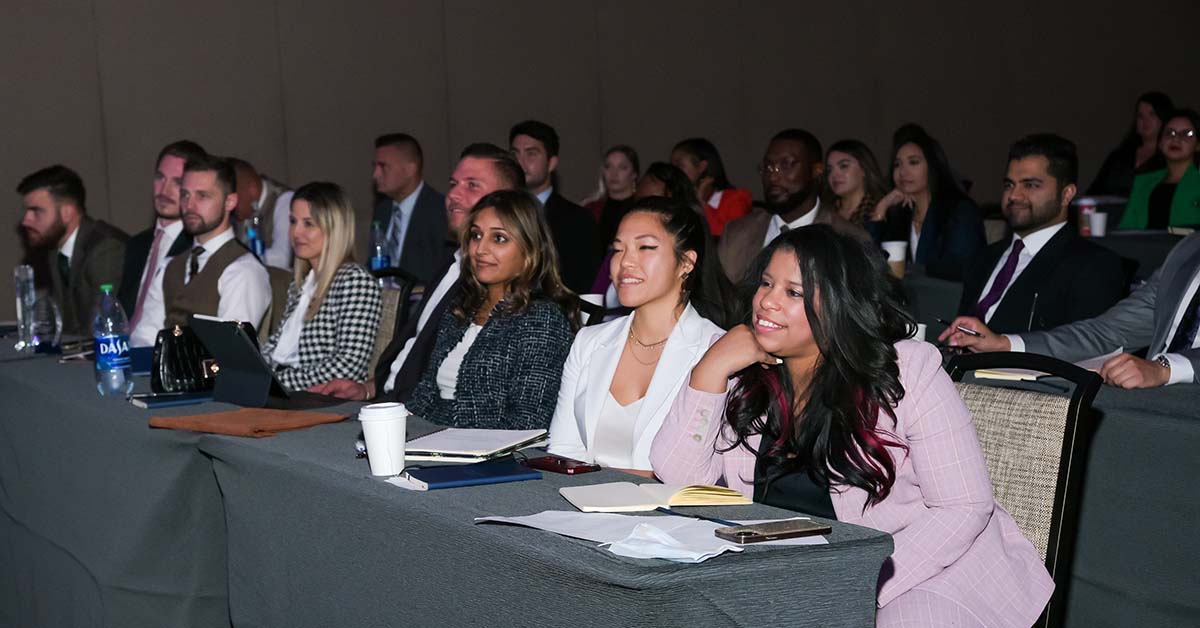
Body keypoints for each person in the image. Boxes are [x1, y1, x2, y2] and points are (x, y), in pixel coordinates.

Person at [650, 225, 1053, 627]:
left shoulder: (907, 369)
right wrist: (710, 369)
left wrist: (855, 582)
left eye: (793, 293)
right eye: (767, 283)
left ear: (840, 304)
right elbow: (683, 484)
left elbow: (963, 507)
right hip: (787, 573)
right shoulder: (746, 372)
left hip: (919, 573)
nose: (767, 302)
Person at [313, 143, 524, 402]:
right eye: (453, 183)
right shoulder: (449, 262)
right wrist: (368, 388)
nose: (453, 195)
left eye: (472, 185)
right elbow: (415, 348)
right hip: (385, 401)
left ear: (507, 201)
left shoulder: (497, 286)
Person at [549, 198, 727, 473]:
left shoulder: (716, 351)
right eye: (618, 249)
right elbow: (563, 450)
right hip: (583, 505)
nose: (625, 261)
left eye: (646, 247)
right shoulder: (589, 341)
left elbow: (706, 477)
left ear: (686, 263)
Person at [942, 229, 1200, 388]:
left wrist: (1166, 368)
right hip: (1156, 404)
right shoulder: (1188, 251)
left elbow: (1161, 369)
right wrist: (1003, 344)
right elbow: (1107, 333)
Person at [406, 190, 577, 429]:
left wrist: (443, 439)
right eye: (476, 235)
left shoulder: (541, 318)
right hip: (434, 440)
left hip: (490, 455)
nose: (480, 249)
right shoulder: (462, 308)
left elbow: (529, 422)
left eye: (499, 239)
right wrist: (400, 426)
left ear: (530, 249)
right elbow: (424, 395)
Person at [956, 134, 1125, 333]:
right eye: (1009, 185)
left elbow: (1084, 349)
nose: (1014, 196)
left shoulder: (1094, 266)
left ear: (1066, 194)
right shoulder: (984, 258)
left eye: (1030, 185)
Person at [131, 154, 270, 341]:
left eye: (202, 196)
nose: (189, 205)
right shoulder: (170, 266)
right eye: (185, 195)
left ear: (230, 202)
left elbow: (231, 351)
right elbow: (144, 337)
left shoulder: (243, 271)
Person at [260, 182, 381, 390]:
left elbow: (348, 367)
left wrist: (277, 383)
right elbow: (277, 347)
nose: (296, 232)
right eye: (292, 221)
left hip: (322, 399)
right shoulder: (301, 282)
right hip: (290, 391)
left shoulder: (354, 281)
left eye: (308, 223)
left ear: (334, 228)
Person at [718, 129, 867, 283]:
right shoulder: (737, 233)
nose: (773, 176)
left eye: (786, 165)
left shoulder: (847, 239)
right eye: (768, 166)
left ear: (817, 170)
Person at [18, 165, 127, 336]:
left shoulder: (106, 248)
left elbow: (101, 329)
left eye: (36, 211)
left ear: (67, 212)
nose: (26, 221)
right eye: (27, 211)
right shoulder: (55, 252)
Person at [868, 127, 985, 280]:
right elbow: (873, 262)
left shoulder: (959, 211)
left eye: (913, 162)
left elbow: (960, 270)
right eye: (897, 164)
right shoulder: (902, 213)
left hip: (949, 298)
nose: (903, 171)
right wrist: (881, 208)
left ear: (933, 166)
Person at [120, 140, 206, 332]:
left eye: (177, 182)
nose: (164, 190)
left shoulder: (198, 248)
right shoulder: (137, 245)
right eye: (160, 177)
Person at [509, 119, 599, 293]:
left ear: (551, 163)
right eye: (515, 154)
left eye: (531, 153)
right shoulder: (499, 214)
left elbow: (585, 283)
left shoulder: (578, 220)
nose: (520, 162)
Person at [369, 133, 450, 285]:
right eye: (375, 166)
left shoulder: (440, 210)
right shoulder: (382, 209)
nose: (376, 175)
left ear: (410, 169)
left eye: (383, 166)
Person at [1118, 109, 1200, 230]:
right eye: (1169, 133)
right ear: (1160, 143)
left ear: (1198, 145)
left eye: (1187, 134)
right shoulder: (1143, 182)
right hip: (1143, 246)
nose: (1176, 139)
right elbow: (1127, 228)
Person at [1088, 91, 1173, 197]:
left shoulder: (1171, 158)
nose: (1145, 120)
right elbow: (1095, 190)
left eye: (1152, 114)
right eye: (1140, 115)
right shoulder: (1119, 156)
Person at [670, 137, 753, 236]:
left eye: (679, 166)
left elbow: (729, 238)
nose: (673, 171)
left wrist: (702, 204)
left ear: (701, 167)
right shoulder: (678, 200)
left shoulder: (736, 198)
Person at [229, 157, 294, 270]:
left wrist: (233, 259)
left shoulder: (285, 201)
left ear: (252, 190)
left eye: (234, 197)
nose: (230, 204)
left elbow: (282, 258)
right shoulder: (240, 213)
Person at [585, 145, 640, 256]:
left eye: (622, 167)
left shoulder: (643, 209)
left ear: (634, 174)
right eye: (608, 166)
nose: (614, 173)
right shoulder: (590, 210)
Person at [825, 139, 888, 226]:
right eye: (829, 170)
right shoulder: (824, 212)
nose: (834, 175)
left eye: (844, 166)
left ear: (864, 170)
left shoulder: (883, 209)